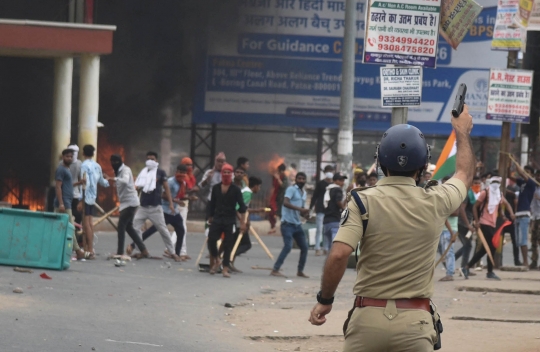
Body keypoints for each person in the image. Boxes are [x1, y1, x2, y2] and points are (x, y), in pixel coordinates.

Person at [308, 105, 476, 351]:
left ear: (380, 162)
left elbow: (339, 254)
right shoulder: (438, 200)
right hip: (415, 323)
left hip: (367, 321)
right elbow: (464, 173)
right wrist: (461, 131)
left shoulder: (361, 201)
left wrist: (325, 300)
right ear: (423, 164)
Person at [129, 164, 189, 260]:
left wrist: (188, 198)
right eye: (180, 172)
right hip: (165, 210)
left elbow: (180, 196)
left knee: (181, 231)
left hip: (174, 211)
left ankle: (177, 253)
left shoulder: (182, 183)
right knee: (153, 230)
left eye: (184, 173)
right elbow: (163, 195)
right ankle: (133, 245)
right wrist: (174, 201)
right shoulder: (171, 181)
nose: (182, 175)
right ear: (176, 172)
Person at [463, 174, 515, 280]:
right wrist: (476, 221)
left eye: (497, 182)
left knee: (485, 249)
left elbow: (503, 205)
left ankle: (467, 267)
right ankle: (489, 271)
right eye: (494, 182)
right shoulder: (485, 192)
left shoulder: (498, 194)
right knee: (492, 246)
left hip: (493, 223)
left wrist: (507, 215)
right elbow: (475, 207)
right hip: (483, 222)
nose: (495, 185)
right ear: (490, 183)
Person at [207, 163, 247, 278]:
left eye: (228, 172)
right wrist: (210, 216)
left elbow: (242, 207)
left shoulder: (235, 189)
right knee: (211, 240)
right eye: (224, 172)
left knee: (228, 244)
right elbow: (212, 204)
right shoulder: (216, 188)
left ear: (232, 174)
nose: (226, 174)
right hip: (217, 218)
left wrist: (243, 223)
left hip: (230, 219)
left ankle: (225, 269)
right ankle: (217, 259)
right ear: (221, 173)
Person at [105, 154, 148, 258]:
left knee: (121, 227)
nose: (114, 163)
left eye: (116, 161)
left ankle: (120, 252)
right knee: (128, 227)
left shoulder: (125, 170)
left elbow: (124, 180)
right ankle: (143, 250)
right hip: (126, 203)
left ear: (120, 161)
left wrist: (111, 178)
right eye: (112, 161)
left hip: (131, 203)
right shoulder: (118, 171)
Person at [271, 172, 310, 278]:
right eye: (299, 178)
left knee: (304, 247)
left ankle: (300, 271)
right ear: (296, 180)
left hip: (297, 224)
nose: (301, 180)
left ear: (305, 180)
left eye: (303, 179)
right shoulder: (291, 189)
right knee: (288, 246)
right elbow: (285, 203)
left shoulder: (303, 193)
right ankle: (275, 269)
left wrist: (305, 214)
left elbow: (301, 210)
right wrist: (300, 209)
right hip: (287, 224)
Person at [78, 144, 109, 258]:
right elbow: (102, 182)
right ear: (93, 153)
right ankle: (89, 248)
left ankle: (90, 250)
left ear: (83, 153)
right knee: (90, 223)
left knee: (86, 224)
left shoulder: (84, 166)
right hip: (93, 197)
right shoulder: (97, 166)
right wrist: (108, 180)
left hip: (86, 196)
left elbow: (84, 183)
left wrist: (81, 199)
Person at [54, 148, 85, 260]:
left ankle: (58, 249)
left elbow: (68, 184)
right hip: (63, 203)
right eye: (67, 156)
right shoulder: (61, 169)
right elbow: (58, 186)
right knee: (70, 226)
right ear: (63, 157)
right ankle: (77, 251)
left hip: (67, 201)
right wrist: (61, 204)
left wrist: (79, 182)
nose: (70, 158)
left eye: (71, 156)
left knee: (61, 227)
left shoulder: (67, 169)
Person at [231, 176, 265, 272]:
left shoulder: (246, 192)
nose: (259, 189)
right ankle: (228, 259)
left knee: (236, 244)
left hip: (239, 220)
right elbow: (238, 208)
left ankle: (230, 263)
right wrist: (242, 222)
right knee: (246, 244)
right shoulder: (247, 193)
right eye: (259, 186)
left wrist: (255, 212)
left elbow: (245, 209)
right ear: (255, 186)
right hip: (237, 221)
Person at [455, 176, 481, 275]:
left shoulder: (475, 195)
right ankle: (464, 268)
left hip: (468, 223)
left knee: (467, 245)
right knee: (468, 245)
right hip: (463, 223)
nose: (477, 185)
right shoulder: (467, 194)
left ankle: (454, 261)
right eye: (475, 183)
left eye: (479, 183)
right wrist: (467, 224)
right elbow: (462, 209)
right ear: (471, 184)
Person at [512, 164, 537, 267]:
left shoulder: (531, 183)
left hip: (525, 214)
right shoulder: (522, 183)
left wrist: (516, 163)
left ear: (531, 175)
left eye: (528, 172)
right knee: (518, 241)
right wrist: (510, 164)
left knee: (523, 241)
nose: (525, 173)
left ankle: (525, 262)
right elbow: (510, 176)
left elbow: (521, 173)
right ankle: (524, 261)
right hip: (518, 214)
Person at [310, 165, 334, 256]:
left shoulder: (333, 185)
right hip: (320, 208)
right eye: (328, 171)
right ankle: (317, 248)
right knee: (319, 229)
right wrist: (311, 207)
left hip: (329, 210)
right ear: (325, 172)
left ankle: (326, 248)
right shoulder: (321, 184)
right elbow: (315, 196)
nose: (330, 173)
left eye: (331, 171)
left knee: (327, 230)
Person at [178, 157, 199, 260]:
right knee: (181, 227)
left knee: (182, 227)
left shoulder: (190, 177)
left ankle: (183, 252)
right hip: (180, 202)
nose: (189, 167)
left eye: (190, 165)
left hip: (184, 202)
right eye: (186, 165)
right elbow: (185, 191)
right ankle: (172, 248)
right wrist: (192, 191)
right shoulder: (182, 176)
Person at [322, 173, 347, 253]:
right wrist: (343, 209)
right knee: (334, 246)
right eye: (340, 180)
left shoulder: (328, 189)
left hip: (326, 221)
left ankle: (329, 263)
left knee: (330, 246)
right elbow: (338, 201)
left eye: (343, 180)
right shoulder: (337, 189)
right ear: (335, 181)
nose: (342, 182)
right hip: (335, 220)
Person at [67, 144, 83, 232]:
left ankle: (76, 232)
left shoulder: (79, 163)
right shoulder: (63, 164)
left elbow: (81, 180)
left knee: (77, 215)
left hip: (76, 194)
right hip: (66, 194)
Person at [268, 163, 288, 234]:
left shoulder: (285, 178)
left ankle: (285, 228)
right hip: (275, 196)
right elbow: (274, 185)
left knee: (281, 214)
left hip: (281, 198)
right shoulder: (276, 176)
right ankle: (273, 227)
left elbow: (283, 186)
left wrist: (278, 178)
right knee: (271, 211)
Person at [504, 182, 521, 266]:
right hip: (501, 220)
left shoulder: (512, 192)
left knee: (515, 241)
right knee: (497, 241)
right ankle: (496, 261)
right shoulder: (496, 192)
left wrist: (514, 215)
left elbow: (515, 204)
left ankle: (517, 260)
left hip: (511, 219)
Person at [529, 170, 540, 269]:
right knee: (534, 241)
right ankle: (534, 261)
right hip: (535, 216)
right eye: (537, 175)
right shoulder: (534, 188)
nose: (538, 177)